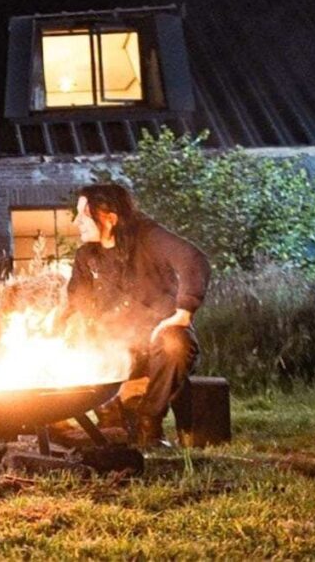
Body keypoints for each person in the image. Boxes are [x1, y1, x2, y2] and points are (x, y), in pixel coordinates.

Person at [61, 184, 211, 447]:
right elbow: (78, 301)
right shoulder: (86, 256)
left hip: (155, 343)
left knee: (175, 343)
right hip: (116, 348)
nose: (77, 222)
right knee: (80, 342)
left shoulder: (148, 237)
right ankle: (110, 419)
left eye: (84, 215)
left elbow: (193, 259)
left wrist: (184, 312)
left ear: (110, 218)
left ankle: (149, 424)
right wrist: (66, 321)